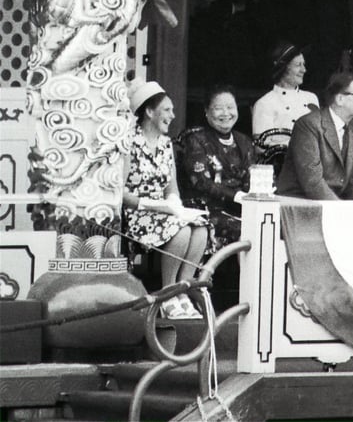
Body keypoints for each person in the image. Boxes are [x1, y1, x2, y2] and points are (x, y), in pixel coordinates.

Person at [123, 81, 208, 320]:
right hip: (138, 214)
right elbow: (120, 194)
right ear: (149, 112)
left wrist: (174, 204)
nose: (173, 115)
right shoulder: (129, 142)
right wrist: (156, 206)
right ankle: (167, 293)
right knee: (180, 232)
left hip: (164, 213)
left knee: (200, 228)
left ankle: (184, 290)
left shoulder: (166, 143)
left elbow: (173, 188)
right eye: (167, 110)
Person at [181, 85, 254, 251]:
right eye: (218, 108)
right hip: (207, 208)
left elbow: (251, 179)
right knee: (247, 231)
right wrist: (236, 196)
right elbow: (201, 182)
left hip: (240, 208)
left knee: (270, 227)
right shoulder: (195, 139)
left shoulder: (244, 141)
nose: (226, 113)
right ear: (206, 111)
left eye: (230, 107)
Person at [276, 72, 353, 200]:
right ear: (340, 99)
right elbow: (312, 181)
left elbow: (351, 180)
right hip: (299, 203)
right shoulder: (309, 125)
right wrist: (341, 209)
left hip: (333, 205)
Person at [251, 41, 320, 149]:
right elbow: (260, 147)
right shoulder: (264, 103)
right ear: (282, 68)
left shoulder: (311, 98)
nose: (304, 70)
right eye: (298, 65)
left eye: (304, 64)